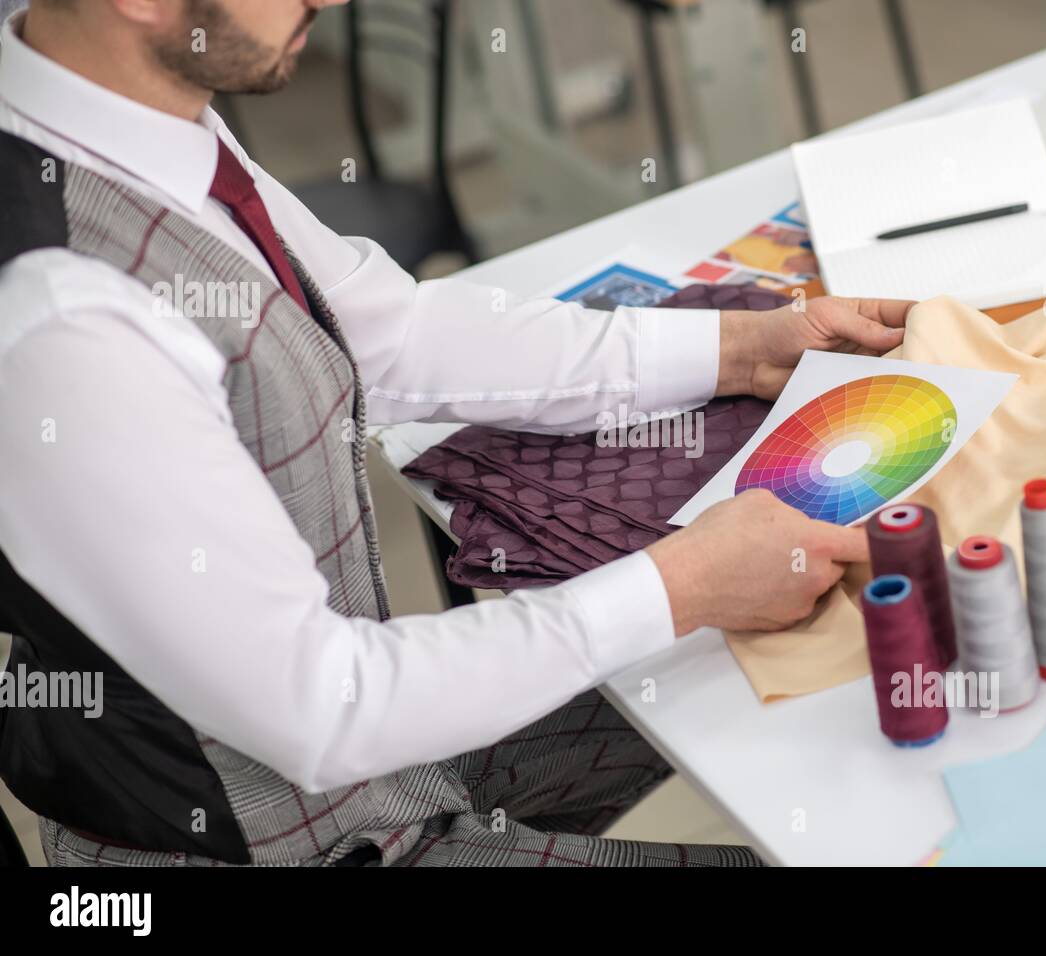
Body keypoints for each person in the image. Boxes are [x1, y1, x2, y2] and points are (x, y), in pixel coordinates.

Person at [0, 0, 911, 867]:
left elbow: (385, 334)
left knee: (783, 651)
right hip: (288, 834)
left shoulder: (131, 113)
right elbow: (326, 707)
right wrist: (684, 583)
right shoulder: (66, 320)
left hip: (371, 770)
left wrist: (737, 350)